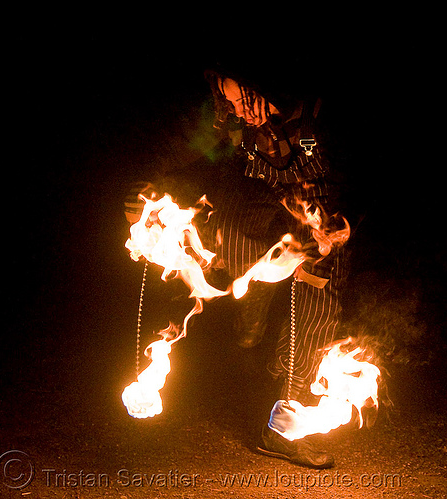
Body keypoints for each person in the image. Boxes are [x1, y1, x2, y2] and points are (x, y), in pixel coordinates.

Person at [125, 64, 350, 468]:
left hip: (328, 223)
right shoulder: (229, 118)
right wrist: (142, 191)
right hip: (267, 211)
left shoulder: (317, 114)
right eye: (228, 101)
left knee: (318, 307)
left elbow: (357, 184)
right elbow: (176, 145)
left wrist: (321, 239)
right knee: (228, 227)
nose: (239, 112)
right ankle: (253, 300)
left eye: (243, 99)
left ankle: (281, 428)